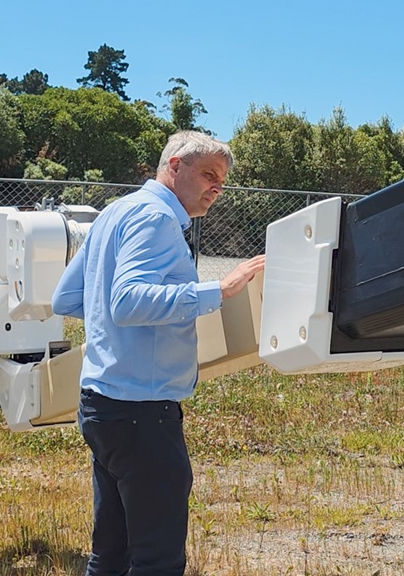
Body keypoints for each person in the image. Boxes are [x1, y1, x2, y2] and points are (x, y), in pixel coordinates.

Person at [53, 130, 266, 576]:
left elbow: (67, 299)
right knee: (156, 560)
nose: (216, 188)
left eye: (222, 181)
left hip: (102, 405)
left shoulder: (116, 212)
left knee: (110, 553)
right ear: (174, 166)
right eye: (208, 174)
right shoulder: (157, 219)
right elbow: (127, 300)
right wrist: (218, 290)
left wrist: (112, 327)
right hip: (142, 413)